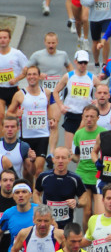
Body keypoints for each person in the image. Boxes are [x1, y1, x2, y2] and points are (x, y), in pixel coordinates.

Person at [25, 32, 73, 164]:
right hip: (40, 94)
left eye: (53, 43)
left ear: (57, 42)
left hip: (56, 94)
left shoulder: (62, 54)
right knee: (41, 123)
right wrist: (37, 75)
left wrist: (68, 78)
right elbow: (26, 69)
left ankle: (51, 153)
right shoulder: (37, 55)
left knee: (54, 124)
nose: (51, 45)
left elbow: (69, 67)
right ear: (45, 43)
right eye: (49, 43)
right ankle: (35, 149)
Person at [7, 66, 52, 179]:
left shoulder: (45, 92)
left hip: (43, 135)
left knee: (38, 169)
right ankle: (29, 191)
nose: (32, 77)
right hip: (26, 137)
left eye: (34, 74)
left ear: (39, 76)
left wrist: (51, 120)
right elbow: (9, 113)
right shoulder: (20, 95)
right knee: (27, 170)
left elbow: (48, 108)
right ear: (26, 77)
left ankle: (36, 194)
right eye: (29, 74)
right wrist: (16, 115)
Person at [72, 104, 107, 232]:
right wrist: (71, 156)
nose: (89, 119)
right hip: (83, 175)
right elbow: (77, 157)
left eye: (92, 116)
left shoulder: (103, 133)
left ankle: (96, 237)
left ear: (98, 118)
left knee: (98, 213)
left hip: (99, 176)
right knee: (87, 212)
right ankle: (87, 238)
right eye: (86, 116)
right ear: (83, 117)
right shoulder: (79, 134)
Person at [34, 147, 87, 229]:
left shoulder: (75, 179)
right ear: (53, 159)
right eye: (57, 158)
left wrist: (76, 203)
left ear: (69, 160)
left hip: (67, 225)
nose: (60, 161)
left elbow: (84, 198)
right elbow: (36, 193)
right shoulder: (44, 177)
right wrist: (40, 205)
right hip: (47, 224)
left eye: (63, 158)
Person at [0, 29, 28, 133]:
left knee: (17, 117)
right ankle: (2, 144)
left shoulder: (17, 54)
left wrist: (16, 79)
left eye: (5, 38)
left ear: (9, 39)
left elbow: (27, 70)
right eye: (0, 38)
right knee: (1, 115)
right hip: (0, 90)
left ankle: (15, 140)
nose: (2, 40)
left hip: (13, 90)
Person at [0, 179, 37, 251]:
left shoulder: (39, 210)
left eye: (24, 192)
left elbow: (54, 230)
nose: (20, 195)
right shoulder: (8, 214)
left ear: (30, 194)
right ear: (13, 196)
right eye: (17, 192)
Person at [0, 170, 16, 251]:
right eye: (5, 180)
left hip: (16, 243)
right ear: (0, 182)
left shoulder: (20, 200)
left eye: (11, 180)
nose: (8, 183)